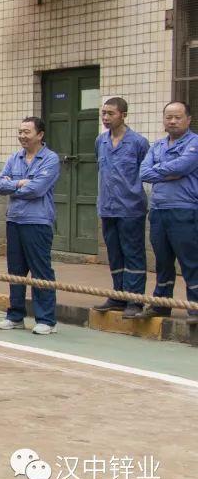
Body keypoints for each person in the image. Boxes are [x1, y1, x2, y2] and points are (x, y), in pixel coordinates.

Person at [0, 116, 61, 335]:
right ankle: (15, 316)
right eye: (20, 132)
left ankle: (46, 319)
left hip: (37, 221)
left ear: (40, 135)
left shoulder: (50, 159)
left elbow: (37, 189)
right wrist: (19, 183)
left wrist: (13, 187)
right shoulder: (15, 158)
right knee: (15, 271)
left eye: (27, 132)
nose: (22, 136)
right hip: (14, 219)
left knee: (41, 270)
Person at [139, 101, 198, 318]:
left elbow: (183, 166)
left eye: (177, 117)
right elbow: (144, 173)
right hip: (158, 211)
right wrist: (171, 173)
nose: (172, 121)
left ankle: (195, 307)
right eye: (168, 117)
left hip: (184, 210)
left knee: (190, 261)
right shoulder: (157, 146)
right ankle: (161, 305)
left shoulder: (194, 143)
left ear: (188, 120)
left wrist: (161, 171)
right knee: (162, 262)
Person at [92, 98, 149, 319]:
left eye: (111, 113)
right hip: (108, 207)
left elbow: (146, 171)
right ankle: (118, 296)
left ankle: (135, 300)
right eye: (103, 113)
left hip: (131, 208)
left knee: (133, 253)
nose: (106, 118)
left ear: (123, 115)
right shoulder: (101, 141)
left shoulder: (138, 143)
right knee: (115, 253)